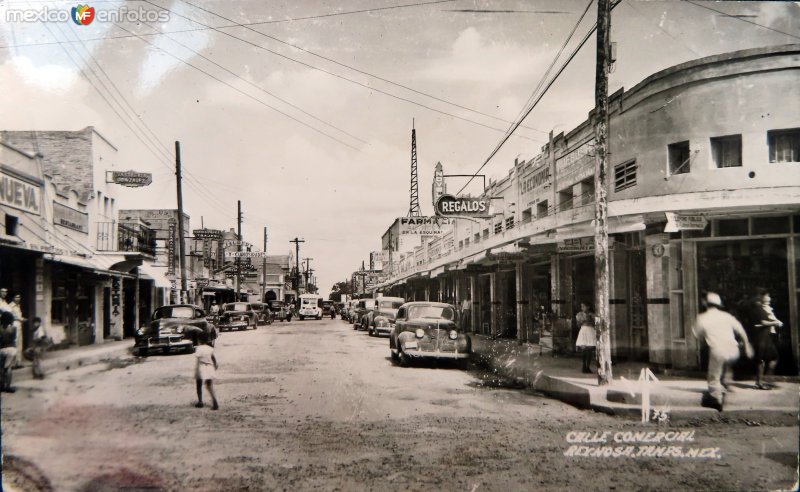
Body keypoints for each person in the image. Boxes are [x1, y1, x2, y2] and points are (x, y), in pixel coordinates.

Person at [693, 292, 753, 411]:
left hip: (718, 350)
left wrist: (705, 339)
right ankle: (725, 383)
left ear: (705, 303)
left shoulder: (702, 318)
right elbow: (741, 331)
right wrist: (747, 345)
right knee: (727, 367)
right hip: (733, 349)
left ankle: (717, 399)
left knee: (713, 376)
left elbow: (697, 335)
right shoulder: (727, 316)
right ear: (719, 304)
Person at [747, 288, 783, 390]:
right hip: (761, 337)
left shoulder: (760, 308)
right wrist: (775, 323)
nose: (768, 298)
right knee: (762, 359)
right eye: (767, 296)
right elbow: (763, 322)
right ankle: (760, 382)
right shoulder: (758, 309)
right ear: (761, 297)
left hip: (764, 336)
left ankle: (764, 380)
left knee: (771, 357)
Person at [194, 332, 219, 410]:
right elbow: (215, 361)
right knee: (209, 385)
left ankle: (200, 401)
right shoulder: (210, 348)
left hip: (202, 366)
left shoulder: (198, 348)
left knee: (199, 384)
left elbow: (198, 361)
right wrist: (214, 368)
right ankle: (214, 400)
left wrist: (196, 371)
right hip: (209, 367)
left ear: (199, 340)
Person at [575, 302, 596, 374]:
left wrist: (591, 320)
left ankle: (588, 366)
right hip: (583, 330)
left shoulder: (592, 314)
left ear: (588, 307)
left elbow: (595, 324)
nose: (582, 308)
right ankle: (584, 365)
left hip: (590, 330)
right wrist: (582, 321)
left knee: (589, 349)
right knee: (584, 349)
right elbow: (578, 325)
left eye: (584, 306)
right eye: (581, 306)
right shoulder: (579, 314)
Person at [0, 311, 18, 392]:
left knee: (1, 368)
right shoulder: (14, 329)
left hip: (1, 349)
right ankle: (8, 386)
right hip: (11, 349)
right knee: (8, 368)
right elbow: (14, 339)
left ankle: (1, 385)